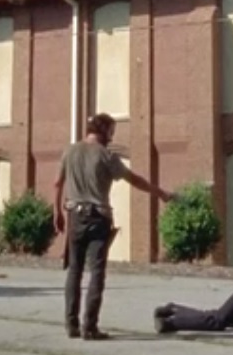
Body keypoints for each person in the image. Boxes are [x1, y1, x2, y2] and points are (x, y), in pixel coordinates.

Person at [54, 112, 173, 340]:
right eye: (111, 131)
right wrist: (161, 193)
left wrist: (57, 212)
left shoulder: (70, 151)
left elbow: (57, 183)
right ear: (104, 131)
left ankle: (71, 325)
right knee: (97, 272)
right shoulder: (106, 156)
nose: (112, 136)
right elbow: (134, 179)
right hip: (98, 218)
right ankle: (90, 327)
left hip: (75, 216)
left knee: (74, 270)